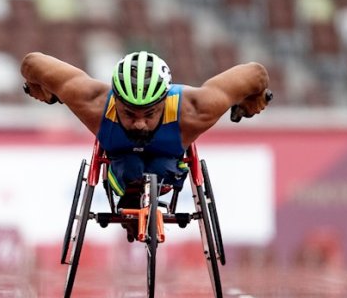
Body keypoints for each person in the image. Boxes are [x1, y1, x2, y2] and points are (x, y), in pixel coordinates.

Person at [21, 50, 270, 209]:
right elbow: (32, 63)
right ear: (115, 100)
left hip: (167, 159)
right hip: (121, 159)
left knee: (161, 167)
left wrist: (252, 99)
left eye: (149, 114)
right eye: (129, 113)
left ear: (164, 101)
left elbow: (257, 74)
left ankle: (146, 185)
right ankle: (130, 189)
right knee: (130, 167)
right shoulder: (93, 102)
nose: (139, 123)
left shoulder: (196, 107)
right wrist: (40, 88)